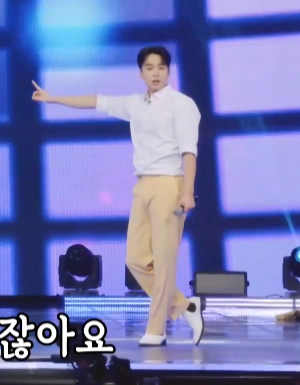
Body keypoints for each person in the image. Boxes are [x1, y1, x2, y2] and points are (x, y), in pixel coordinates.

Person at [31, 45, 204, 346]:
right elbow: (96, 101)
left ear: (168, 71)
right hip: (143, 185)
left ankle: (157, 329)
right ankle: (185, 306)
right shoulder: (135, 103)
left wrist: (187, 192)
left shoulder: (182, 104)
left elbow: (190, 151)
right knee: (135, 260)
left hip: (170, 183)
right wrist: (54, 98)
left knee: (164, 261)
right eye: (149, 68)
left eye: (161, 68)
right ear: (141, 73)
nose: (155, 73)